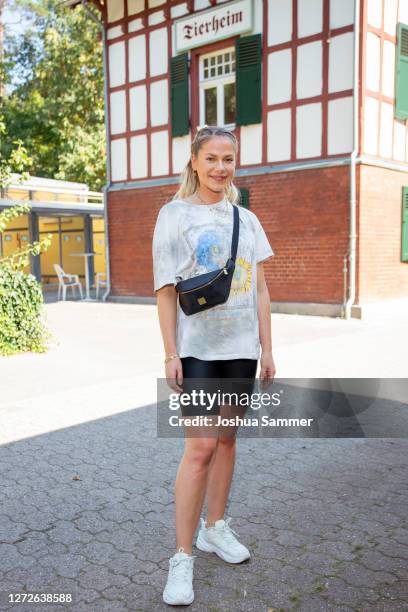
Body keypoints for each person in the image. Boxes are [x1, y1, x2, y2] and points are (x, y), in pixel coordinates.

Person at [152, 125, 276, 606]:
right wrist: (170, 352)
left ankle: (215, 527)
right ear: (195, 162)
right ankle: (181, 557)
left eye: (229, 159)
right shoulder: (174, 215)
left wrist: (268, 347)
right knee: (200, 447)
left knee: (227, 440)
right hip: (198, 350)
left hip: (242, 349)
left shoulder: (248, 219)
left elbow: (260, 289)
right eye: (213, 159)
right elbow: (165, 291)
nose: (221, 168)